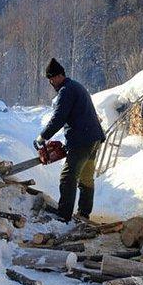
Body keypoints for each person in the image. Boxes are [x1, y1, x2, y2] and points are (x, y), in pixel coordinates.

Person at [35, 58, 105, 223]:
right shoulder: (76, 86)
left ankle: (64, 214)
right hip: (93, 137)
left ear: (60, 75)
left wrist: (43, 136)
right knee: (86, 177)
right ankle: (83, 213)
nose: (51, 82)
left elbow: (59, 117)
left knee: (68, 176)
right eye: (49, 80)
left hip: (82, 139)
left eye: (52, 79)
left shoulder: (66, 91)